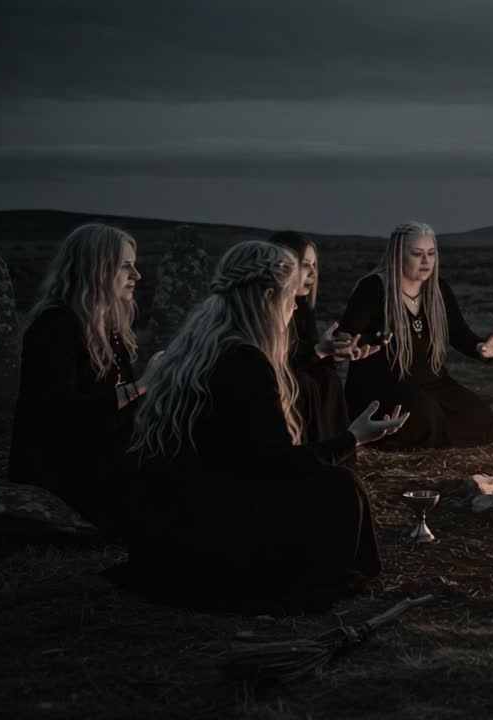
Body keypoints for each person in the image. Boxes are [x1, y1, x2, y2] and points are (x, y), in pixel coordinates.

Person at [125, 241, 408, 612]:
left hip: (175, 522)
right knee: (339, 486)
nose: (294, 306)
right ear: (271, 297)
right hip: (211, 530)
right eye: (292, 296)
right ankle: (318, 579)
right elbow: (277, 465)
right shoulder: (245, 361)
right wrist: (353, 437)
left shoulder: (203, 344)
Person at [9, 222, 156, 532]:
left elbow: (119, 410)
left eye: (135, 266)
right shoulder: (56, 324)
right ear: (96, 269)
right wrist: (142, 385)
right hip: (63, 465)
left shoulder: (110, 327)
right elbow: (62, 412)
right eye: (125, 266)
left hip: (103, 452)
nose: (136, 276)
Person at [339, 222, 493, 448]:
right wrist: (350, 344)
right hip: (385, 383)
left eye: (431, 254)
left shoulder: (437, 289)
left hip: (431, 379)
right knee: (423, 416)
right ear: (398, 254)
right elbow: (346, 334)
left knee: (478, 415)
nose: (426, 261)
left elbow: (459, 333)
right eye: (417, 254)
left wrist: (483, 349)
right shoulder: (374, 288)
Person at [268, 231, 372, 460]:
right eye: (306, 265)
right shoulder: (267, 309)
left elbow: (304, 354)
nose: (313, 273)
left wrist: (336, 353)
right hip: (277, 388)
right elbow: (276, 366)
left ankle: (334, 454)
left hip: (299, 376)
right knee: (310, 383)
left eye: (315, 265)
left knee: (327, 376)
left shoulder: (302, 307)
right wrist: (320, 351)